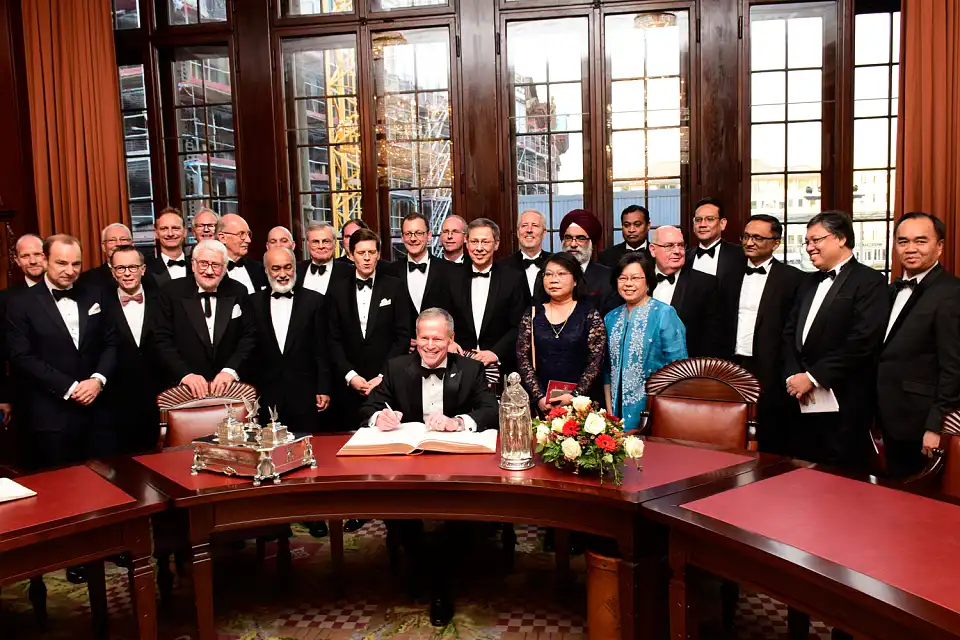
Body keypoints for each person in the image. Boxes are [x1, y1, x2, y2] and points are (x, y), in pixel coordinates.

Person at [359, 308, 499, 627]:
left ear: (451, 340)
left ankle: (441, 586)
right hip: (408, 461)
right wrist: (377, 417)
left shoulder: (471, 368)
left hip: (458, 461)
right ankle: (420, 567)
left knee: (460, 518)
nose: (431, 345)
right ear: (416, 339)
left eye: (438, 338)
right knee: (398, 511)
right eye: (424, 338)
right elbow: (368, 405)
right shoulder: (396, 368)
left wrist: (459, 421)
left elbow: (491, 408)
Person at [782, 211, 888, 469]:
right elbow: (789, 333)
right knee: (803, 473)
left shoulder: (870, 281)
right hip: (801, 401)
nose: (809, 248)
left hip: (845, 403)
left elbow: (863, 341)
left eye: (815, 240)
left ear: (841, 238)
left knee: (841, 479)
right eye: (806, 242)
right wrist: (793, 375)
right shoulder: (808, 281)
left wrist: (813, 377)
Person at [7, 234, 117, 468]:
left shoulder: (96, 294)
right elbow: (21, 357)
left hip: (97, 412)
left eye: (75, 263)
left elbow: (111, 343)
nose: (70, 270)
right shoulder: (20, 302)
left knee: (107, 488)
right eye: (61, 263)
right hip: (51, 416)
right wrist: (70, 387)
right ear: (45, 261)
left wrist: (97, 380)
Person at [877, 212, 960, 478]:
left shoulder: (951, 293)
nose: (910, 248)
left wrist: (936, 426)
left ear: (940, 246)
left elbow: (954, 367)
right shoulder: (890, 290)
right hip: (886, 416)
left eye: (920, 241)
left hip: (921, 421)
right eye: (903, 241)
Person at [729, 215, 804, 454]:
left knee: (771, 430)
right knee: (734, 428)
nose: (750, 242)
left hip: (772, 366)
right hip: (733, 363)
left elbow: (794, 329)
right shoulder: (729, 275)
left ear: (776, 243)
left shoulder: (793, 279)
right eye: (747, 236)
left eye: (758, 237)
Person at [327, 228, 412, 429]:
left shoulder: (395, 287)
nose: (366, 258)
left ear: (378, 255)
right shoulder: (336, 290)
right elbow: (332, 339)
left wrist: (382, 376)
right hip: (348, 385)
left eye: (371, 253)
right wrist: (351, 376)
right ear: (350, 255)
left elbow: (402, 336)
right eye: (361, 253)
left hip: (388, 382)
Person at [153, 239, 257, 398]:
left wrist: (229, 371)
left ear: (224, 268)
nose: (209, 271)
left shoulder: (239, 291)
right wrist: (186, 375)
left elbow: (249, 336)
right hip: (184, 390)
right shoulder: (171, 292)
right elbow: (162, 339)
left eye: (215, 265)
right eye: (203, 264)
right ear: (193, 265)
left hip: (230, 388)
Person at [249, 247, 331, 433]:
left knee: (308, 447)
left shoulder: (315, 301)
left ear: (295, 268)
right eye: (276, 268)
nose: (283, 274)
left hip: (306, 394)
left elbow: (322, 349)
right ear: (266, 270)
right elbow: (250, 350)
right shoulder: (252, 303)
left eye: (288, 267)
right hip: (266, 395)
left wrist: (324, 388)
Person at [604, 253, 687, 431]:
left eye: (635, 278)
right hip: (615, 414)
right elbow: (606, 369)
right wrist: (610, 412)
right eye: (622, 278)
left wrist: (659, 411)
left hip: (654, 412)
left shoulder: (664, 314)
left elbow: (679, 369)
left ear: (648, 281)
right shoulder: (611, 318)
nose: (628, 284)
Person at [516, 252, 606, 413]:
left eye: (561, 274)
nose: (553, 280)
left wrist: (575, 396)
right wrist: (539, 397)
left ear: (576, 280)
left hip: (582, 404)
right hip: (541, 405)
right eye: (548, 274)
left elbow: (596, 362)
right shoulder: (533, 313)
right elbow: (523, 359)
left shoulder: (589, 314)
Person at [102, 246, 163, 453]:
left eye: (132, 267)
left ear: (143, 269)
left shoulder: (162, 299)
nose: (127, 273)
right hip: (116, 396)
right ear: (112, 271)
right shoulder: (101, 303)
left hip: (158, 392)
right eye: (120, 268)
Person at [449, 218, 529, 372]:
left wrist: (495, 353)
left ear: (496, 244)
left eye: (485, 242)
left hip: (501, 365)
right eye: (474, 242)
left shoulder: (514, 278)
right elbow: (442, 317)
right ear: (466, 242)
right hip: (457, 364)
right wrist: (449, 342)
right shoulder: (451, 277)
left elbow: (520, 324)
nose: (479, 248)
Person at [648, 226, 724, 358]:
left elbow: (713, 338)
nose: (677, 251)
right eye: (669, 246)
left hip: (687, 367)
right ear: (653, 250)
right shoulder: (639, 279)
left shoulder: (706, 284)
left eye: (681, 245)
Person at [535, 209, 619, 314]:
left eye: (580, 238)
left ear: (591, 242)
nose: (573, 244)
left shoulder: (608, 277)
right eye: (568, 238)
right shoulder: (546, 275)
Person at [387, 212, 456, 333]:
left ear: (429, 236)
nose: (413, 238)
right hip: (402, 349)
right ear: (403, 237)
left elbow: (457, 314)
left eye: (419, 233)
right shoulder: (390, 271)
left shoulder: (450, 270)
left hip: (440, 346)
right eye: (408, 234)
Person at [686, 197, 745, 286]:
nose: (702, 225)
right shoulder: (684, 257)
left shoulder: (740, 255)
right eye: (698, 220)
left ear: (722, 223)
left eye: (710, 219)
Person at [499, 209, 551, 296]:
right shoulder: (502, 267)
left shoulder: (556, 263)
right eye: (524, 225)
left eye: (535, 225)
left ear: (544, 233)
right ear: (518, 233)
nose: (529, 230)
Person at [296, 221, 353, 294]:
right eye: (315, 242)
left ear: (334, 244)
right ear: (308, 244)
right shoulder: (296, 270)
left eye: (326, 241)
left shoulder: (350, 272)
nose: (321, 246)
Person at [216, 214, 266, 294]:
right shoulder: (212, 270)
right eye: (241, 234)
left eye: (248, 234)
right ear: (222, 238)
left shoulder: (258, 268)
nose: (248, 240)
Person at [78, 223, 134, 290]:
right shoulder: (87, 280)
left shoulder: (148, 275)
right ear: (103, 246)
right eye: (112, 240)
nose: (118, 244)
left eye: (123, 239)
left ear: (132, 244)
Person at [145, 207, 190, 288]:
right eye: (164, 229)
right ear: (156, 234)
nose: (170, 234)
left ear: (185, 232)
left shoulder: (197, 266)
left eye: (175, 228)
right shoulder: (146, 270)